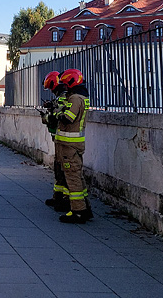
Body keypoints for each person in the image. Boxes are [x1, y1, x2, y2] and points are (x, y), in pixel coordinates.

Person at [54, 68, 92, 223]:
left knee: (72, 177)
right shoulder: (80, 96)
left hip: (70, 146)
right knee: (77, 176)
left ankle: (78, 211)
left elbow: (68, 118)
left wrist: (57, 113)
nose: (65, 86)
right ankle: (85, 207)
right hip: (73, 144)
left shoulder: (75, 98)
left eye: (66, 83)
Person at [39, 71, 69, 212]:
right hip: (58, 137)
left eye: (51, 87)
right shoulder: (61, 97)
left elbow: (56, 117)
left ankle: (65, 199)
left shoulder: (63, 98)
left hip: (63, 138)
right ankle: (58, 196)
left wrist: (46, 115)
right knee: (58, 168)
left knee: (63, 169)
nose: (51, 90)